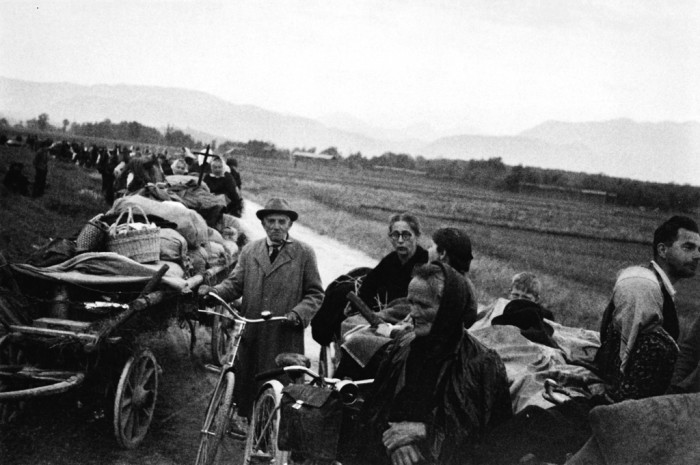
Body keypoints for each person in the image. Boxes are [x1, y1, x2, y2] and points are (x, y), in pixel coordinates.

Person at [357, 262, 512, 465]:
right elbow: (373, 411)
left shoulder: (482, 363)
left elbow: (493, 441)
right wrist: (394, 441)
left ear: (450, 308)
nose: (412, 313)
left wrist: (425, 431)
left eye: (423, 305)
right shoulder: (401, 348)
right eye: (411, 302)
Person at [198, 198, 324, 423]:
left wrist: (297, 314)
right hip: (253, 331)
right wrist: (214, 292)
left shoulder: (304, 253)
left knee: (282, 391)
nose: (276, 226)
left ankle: (275, 437)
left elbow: (315, 294)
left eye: (281, 221)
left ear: (290, 225)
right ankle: (250, 429)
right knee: (248, 384)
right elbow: (235, 284)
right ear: (264, 224)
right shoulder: (250, 250)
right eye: (271, 221)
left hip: (284, 334)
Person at [594, 215, 700, 402]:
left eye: (699, 249)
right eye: (688, 247)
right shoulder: (645, 288)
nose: (697, 255)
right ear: (662, 250)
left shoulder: (652, 283)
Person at [357, 213, 429, 312]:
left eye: (406, 235)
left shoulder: (426, 262)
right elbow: (368, 286)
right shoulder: (390, 261)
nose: (400, 240)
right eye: (395, 235)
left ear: (417, 236)